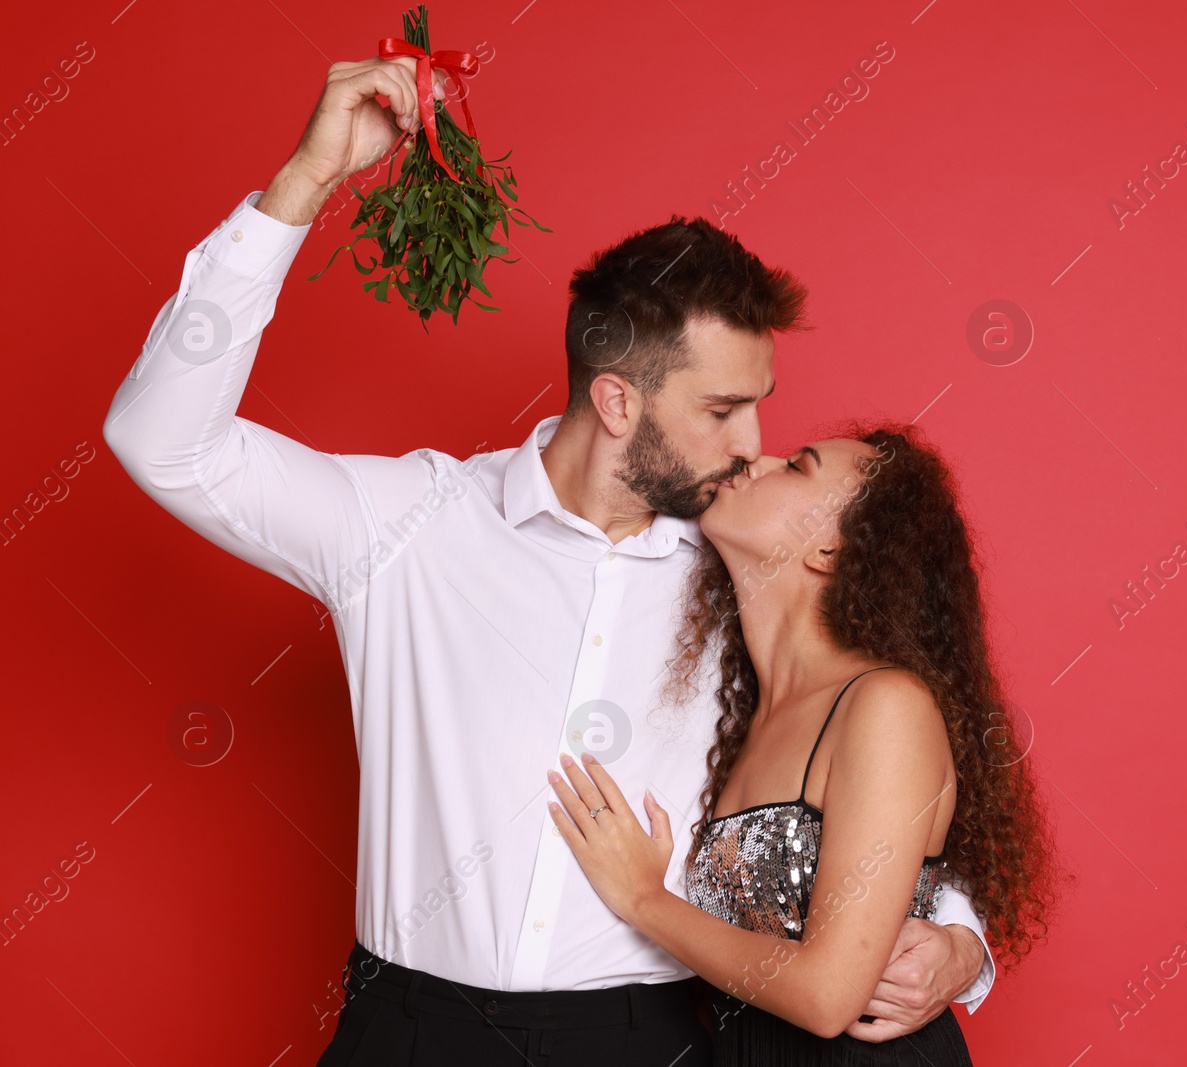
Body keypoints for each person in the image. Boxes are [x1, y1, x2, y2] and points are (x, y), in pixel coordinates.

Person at [101, 53, 997, 1065]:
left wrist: (960, 940)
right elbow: (160, 439)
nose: (754, 442)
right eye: (720, 409)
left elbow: (845, 774)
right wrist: (303, 184)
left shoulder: (747, 569)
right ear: (618, 402)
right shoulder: (411, 519)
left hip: (648, 1038)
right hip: (409, 1030)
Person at [549, 424, 1059, 1063]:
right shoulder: (739, 703)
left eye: (796, 466)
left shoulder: (884, 706)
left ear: (829, 551)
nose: (753, 460)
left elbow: (827, 996)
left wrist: (644, 898)